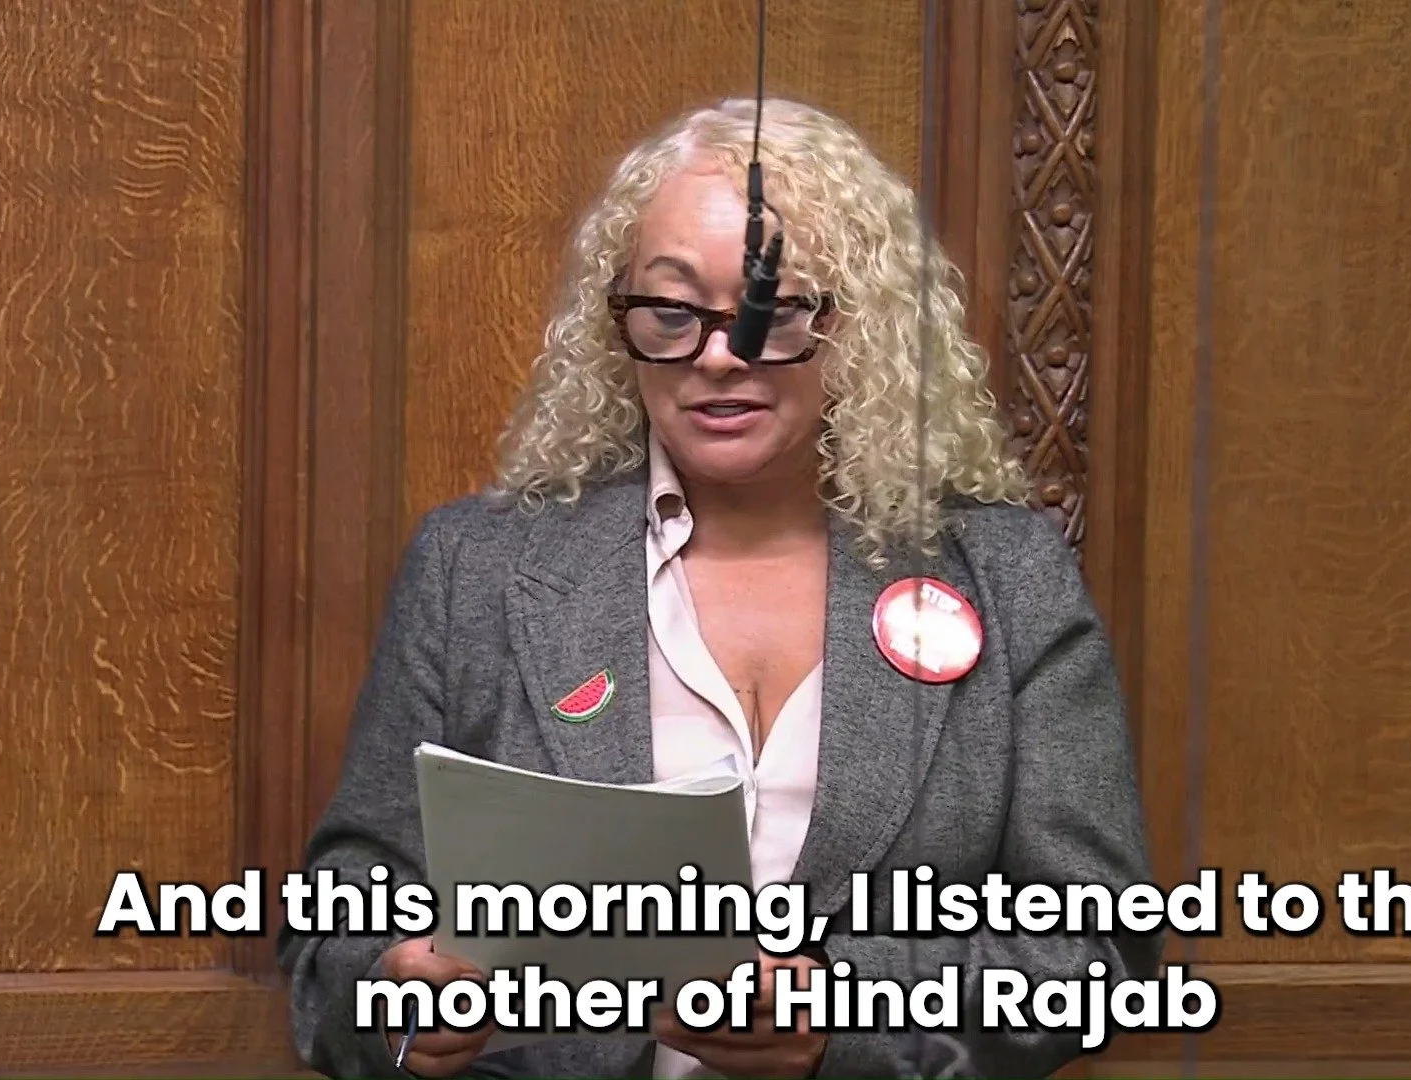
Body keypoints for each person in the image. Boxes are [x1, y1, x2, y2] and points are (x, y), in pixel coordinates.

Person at [278, 97, 1160, 1079]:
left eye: (770, 313)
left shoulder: (1006, 577)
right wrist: (392, 996)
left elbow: (1099, 946)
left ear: (861, 326)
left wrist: (845, 1021)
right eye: (670, 312)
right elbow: (340, 922)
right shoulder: (473, 568)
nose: (717, 355)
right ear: (617, 325)